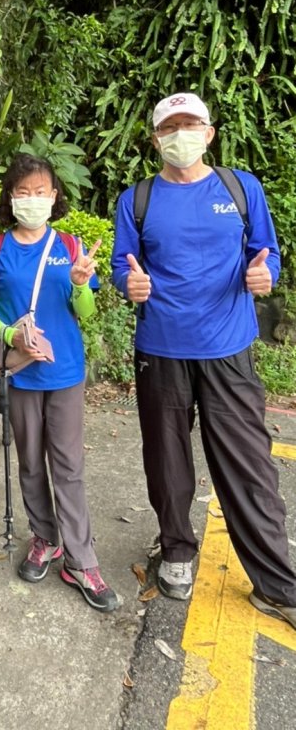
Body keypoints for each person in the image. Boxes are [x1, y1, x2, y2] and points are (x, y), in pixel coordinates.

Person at [111, 91, 296, 630]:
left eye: (191, 124)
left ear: (209, 133)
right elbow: (126, 269)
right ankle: (176, 551)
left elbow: (268, 253)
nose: (180, 134)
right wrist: (132, 284)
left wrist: (266, 276)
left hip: (229, 349)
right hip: (161, 350)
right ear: (155, 139)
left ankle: (278, 586)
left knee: (250, 465)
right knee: (166, 462)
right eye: (170, 127)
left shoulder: (240, 188)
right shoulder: (137, 199)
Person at [0, 153, 119, 612]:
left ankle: (81, 559)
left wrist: (78, 284)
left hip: (65, 372)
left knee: (68, 466)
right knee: (31, 463)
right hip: (21, 374)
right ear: (10, 197)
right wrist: (11, 334)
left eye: (41, 192)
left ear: (55, 197)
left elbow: (86, 314)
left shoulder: (71, 247)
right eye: (23, 192)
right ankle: (44, 537)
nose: (32, 199)